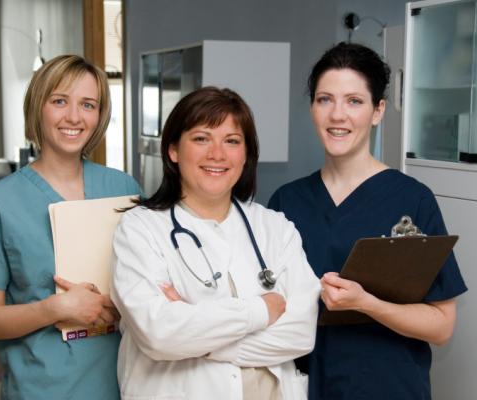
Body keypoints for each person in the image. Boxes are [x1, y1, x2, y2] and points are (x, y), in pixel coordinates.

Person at [268, 42, 468, 399]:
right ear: (312, 108)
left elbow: (442, 326)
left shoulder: (412, 199)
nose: (337, 115)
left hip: (389, 387)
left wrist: (367, 303)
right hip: (306, 386)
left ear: (378, 111)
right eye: (324, 99)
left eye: (354, 101)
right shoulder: (286, 201)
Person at [0, 55, 141, 399]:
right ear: (39, 107)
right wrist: (55, 308)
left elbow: (149, 286)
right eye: (59, 101)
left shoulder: (124, 189)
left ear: (99, 116)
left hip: (128, 382)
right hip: (43, 387)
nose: (74, 117)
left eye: (88, 104)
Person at [111, 86, 320, 400]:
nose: (217, 154)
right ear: (173, 151)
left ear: (246, 154)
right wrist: (260, 311)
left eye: (232, 141)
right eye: (201, 138)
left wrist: (198, 340)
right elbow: (158, 334)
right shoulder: (140, 228)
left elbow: (301, 333)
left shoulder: (275, 227)